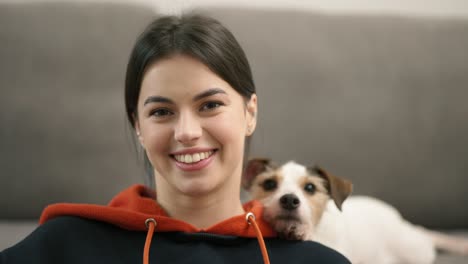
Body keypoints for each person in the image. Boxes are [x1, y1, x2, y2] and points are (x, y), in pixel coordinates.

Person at [0, 14, 350, 264]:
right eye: (161, 112)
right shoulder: (65, 245)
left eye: (210, 105)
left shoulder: (319, 260)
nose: (186, 132)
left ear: (250, 113)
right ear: (138, 126)